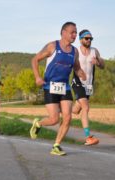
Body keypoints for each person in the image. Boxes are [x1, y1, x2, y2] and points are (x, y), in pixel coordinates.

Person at [30, 22, 86, 156]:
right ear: (63, 32)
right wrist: (37, 77)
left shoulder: (75, 51)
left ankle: (56, 145)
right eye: (72, 32)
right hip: (50, 86)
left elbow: (76, 67)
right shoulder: (53, 46)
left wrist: (80, 72)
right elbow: (35, 60)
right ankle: (38, 124)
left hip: (65, 87)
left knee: (67, 118)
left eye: (76, 33)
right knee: (54, 119)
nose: (74, 35)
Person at [72, 29, 105, 145]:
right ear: (81, 39)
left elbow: (103, 66)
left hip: (89, 85)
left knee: (76, 110)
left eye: (90, 38)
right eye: (87, 38)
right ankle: (88, 137)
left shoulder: (94, 51)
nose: (89, 40)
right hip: (77, 82)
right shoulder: (76, 51)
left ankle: (62, 110)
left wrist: (98, 62)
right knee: (86, 107)